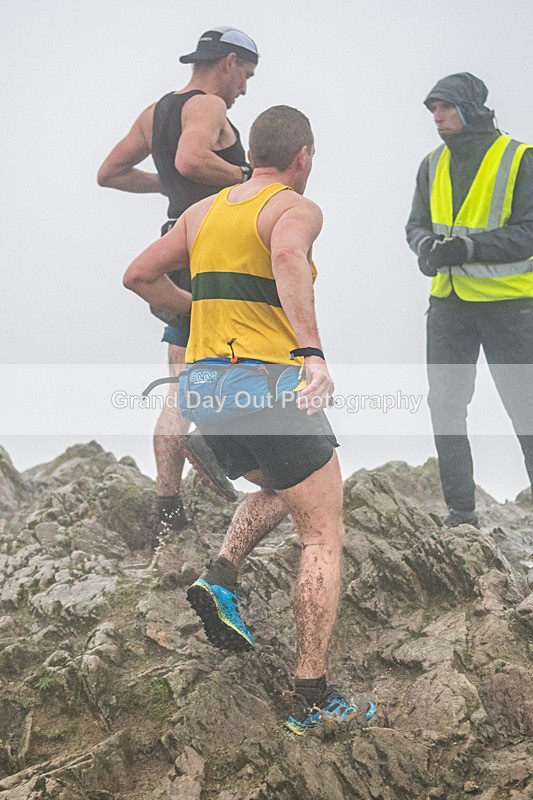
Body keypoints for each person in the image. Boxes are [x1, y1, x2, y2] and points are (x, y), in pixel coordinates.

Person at [123, 105, 376, 735]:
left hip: (205, 390)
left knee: (287, 488)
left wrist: (197, 310)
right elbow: (287, 257)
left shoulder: (203, 212)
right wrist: (312, 353)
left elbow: (138, 275)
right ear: (302, 156)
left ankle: (221, 576)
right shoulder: (294, 207)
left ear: (251, 153)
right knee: (322, 532)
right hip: (267, 386)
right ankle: (312, 696)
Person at [98, 27, 259, 541]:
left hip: (174, 246)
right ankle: (226, 452)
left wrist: (167, 184)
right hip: (212, 251)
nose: (244, 89)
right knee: (249, 362)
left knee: (179, 384)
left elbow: (110, 172)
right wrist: (248, 179)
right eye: (246, 75)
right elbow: (191, 159)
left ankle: (168, 510)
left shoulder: (156, 112)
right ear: (229, 62)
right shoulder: (209, 104)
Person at [406, 73, 533, 528]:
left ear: (472, 109)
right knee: (445, 407)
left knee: (527, 412)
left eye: (446, 108)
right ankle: (461, 513)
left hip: (509, 309)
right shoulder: (431, 163)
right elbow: (416, 225)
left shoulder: (520, 159)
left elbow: (529, 232)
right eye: (433, 110)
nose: (437, 118)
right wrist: (425, 248)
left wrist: (468, 248)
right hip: (448, 307)